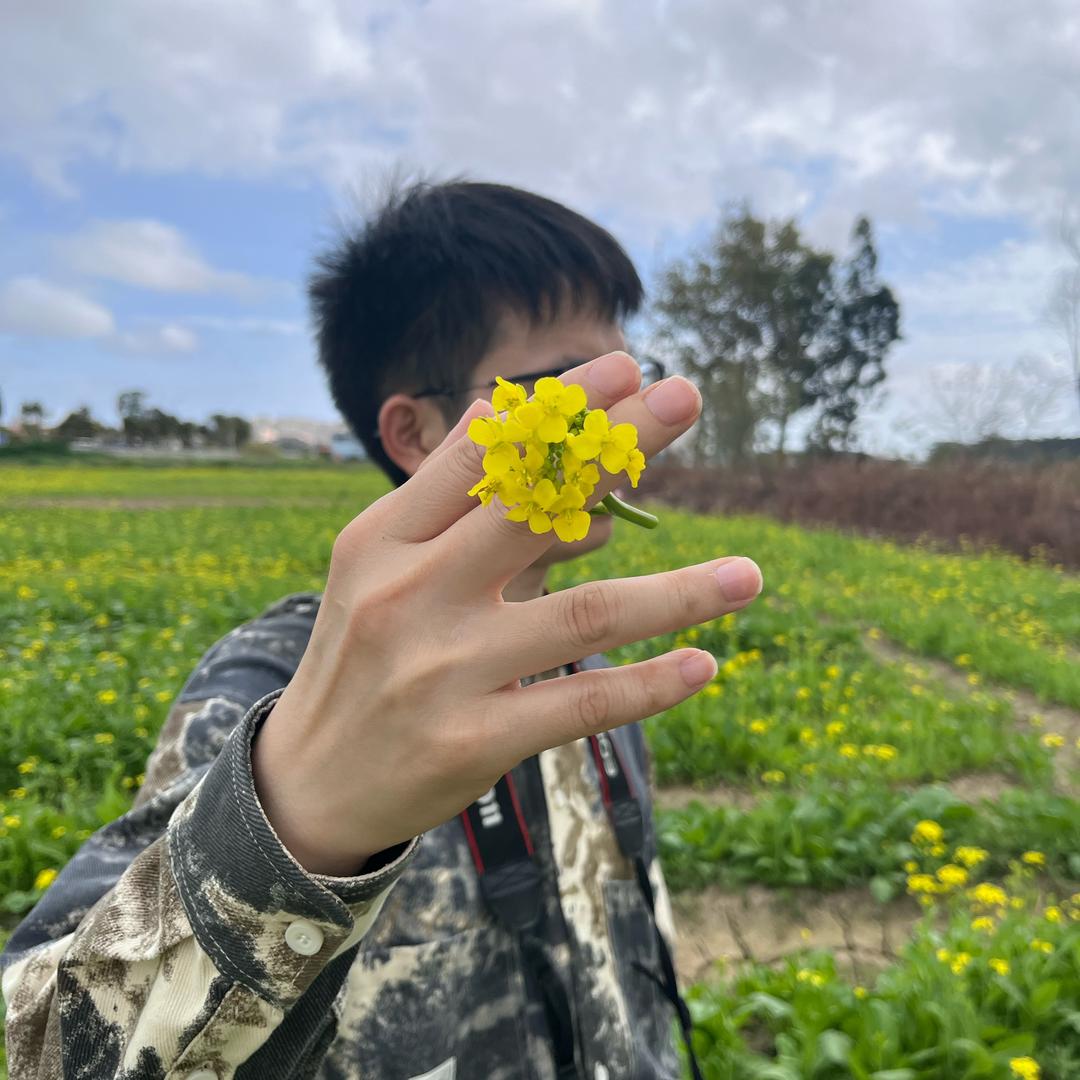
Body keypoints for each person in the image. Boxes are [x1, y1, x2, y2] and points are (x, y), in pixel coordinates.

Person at [1, 180, 763, 1079]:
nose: (607, 421)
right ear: (414, 432)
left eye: (625, 375)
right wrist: (282, 835)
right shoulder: (274, 690)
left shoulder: (594, 670)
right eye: (559, 389)